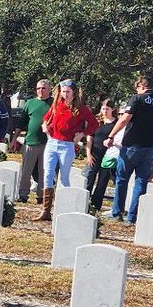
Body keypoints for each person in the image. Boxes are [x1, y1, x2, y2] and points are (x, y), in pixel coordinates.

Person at [106, 74, 153, 224]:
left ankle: (117, 212)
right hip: (150, 148)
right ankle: (132, 217)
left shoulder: (137, 99)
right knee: (141, 182)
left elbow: (125, 119)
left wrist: (111, 135)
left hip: (131, 146)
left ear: (141, 86)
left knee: (122, 179)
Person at [38, 78, 98, 220]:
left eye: (67, 92)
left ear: (74, 92)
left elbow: (94, 124)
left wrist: (82, 134)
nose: (65, 94)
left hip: (67, 145)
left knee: (63, 178)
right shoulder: (56, 104)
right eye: (63, 91)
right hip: (52, 143)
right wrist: (45, 126)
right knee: (47, 174)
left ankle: (63, 210)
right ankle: (46, 211)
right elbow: (46, 118)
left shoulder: (81, 109)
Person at [14, 78, 52, 204]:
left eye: (43, 88)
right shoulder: (30, 103)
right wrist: (15, 138)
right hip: (30, 141)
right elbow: (21, 122)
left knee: (44, 171)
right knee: (26, 171)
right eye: (38, 88)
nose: (40, 90)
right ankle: (23, 194)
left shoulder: (54, 104)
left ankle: (41, 196)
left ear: (50, 89)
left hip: (47, 143)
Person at [84, 98, 118, 213]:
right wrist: (88, 154)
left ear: (112, 109)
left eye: (107, 109)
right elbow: (90, 138)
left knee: (102, 181)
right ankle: (84, 201)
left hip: (108, 156)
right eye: (103, 109)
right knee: (88, 178)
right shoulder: (97, 121)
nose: (104, 111)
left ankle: (95, 205)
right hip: (94, 154)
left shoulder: (116, 123)